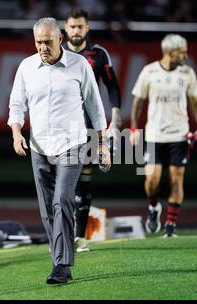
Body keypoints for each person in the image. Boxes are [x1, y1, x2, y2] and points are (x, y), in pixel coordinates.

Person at [7, 17, 111, 284]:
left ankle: (62, 265)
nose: (42, 47)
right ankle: (59, 259)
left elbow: (95, 106)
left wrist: (103, 144)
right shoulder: (27, 67)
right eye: (38, 42)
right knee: (47, 210)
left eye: (47, 42)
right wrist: (17, 133)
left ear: (60, 39)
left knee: (62, 200)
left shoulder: (79, 65)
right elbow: (17, 104)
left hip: (72, 144)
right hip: (39, 146)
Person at [129, 34, 197, 237]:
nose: (186, 55)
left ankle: (171, 225)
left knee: (176, 179)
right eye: (182, 51)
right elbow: (137, 102)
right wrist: (135, 129)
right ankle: (154, 208)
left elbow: (195, 102)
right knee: (152, 179)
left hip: (179, 134)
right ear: (170, 52)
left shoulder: (187, 73)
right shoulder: (149, 71)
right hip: (154, 134)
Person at [64, 8, 122, 252]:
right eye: (72, 26)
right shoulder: (57, 53)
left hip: (87, 128)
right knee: (62, 185)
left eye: (80, 26)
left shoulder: (98, 54)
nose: (76, 31)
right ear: (65, 28)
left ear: (87, 28)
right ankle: (61, 235)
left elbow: (112, 86)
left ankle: (79, 238)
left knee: (83, 183)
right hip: (62, 128)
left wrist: (115, 120)